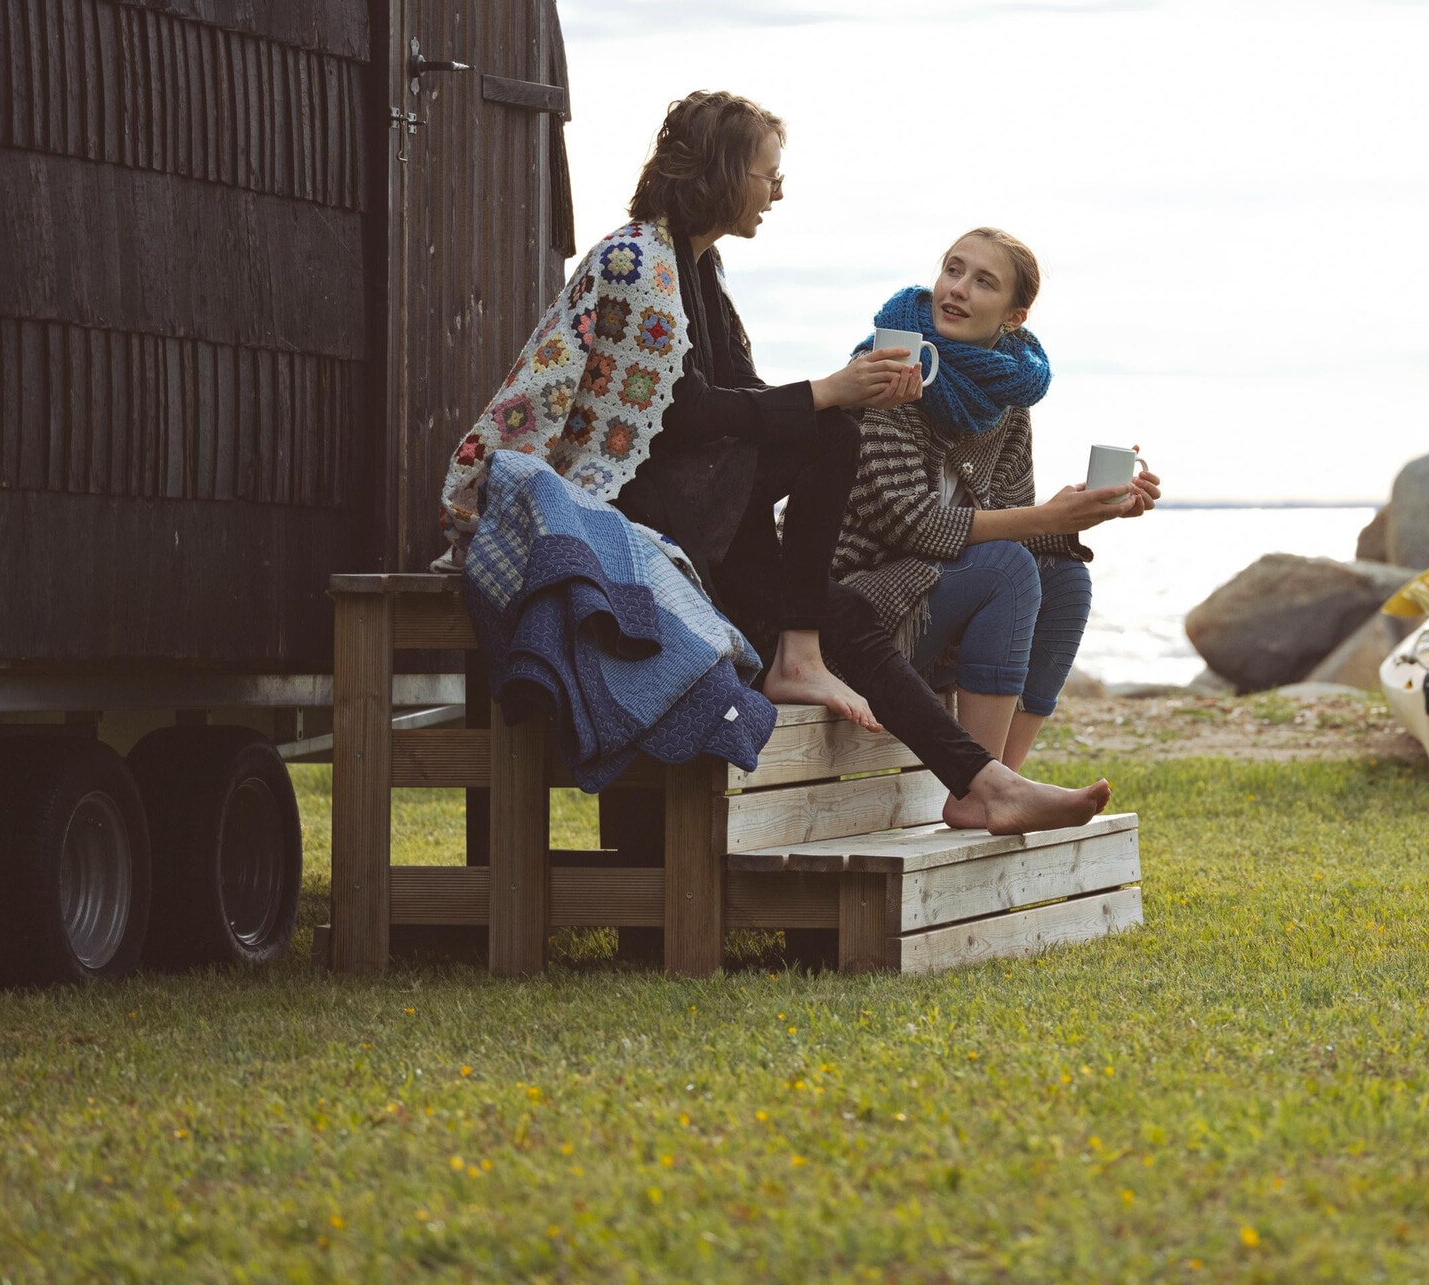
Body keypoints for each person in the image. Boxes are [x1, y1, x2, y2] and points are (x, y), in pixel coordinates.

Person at [442, 92, 1110, 834]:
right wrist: (832, 396)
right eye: (768, 173)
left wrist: (851, 397)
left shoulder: (700, 267)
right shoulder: (638, 259)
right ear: (726, 173)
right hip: (623, 504)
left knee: (843, 611)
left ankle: (982, 784)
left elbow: (742, 400)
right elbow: (679, 415)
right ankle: (891, 714)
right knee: (828, 435)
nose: (778, 190)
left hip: (705, 511)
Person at [833, 228, 1160, 769]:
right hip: (857, 613)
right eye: (953, 270)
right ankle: (980, 784)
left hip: (938, 611)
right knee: (1006, 567)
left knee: (1063, 571)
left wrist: (1088, 513)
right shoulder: (888, 366)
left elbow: (1015, 522)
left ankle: (1006, 776)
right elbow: (907, 523)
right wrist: (1044, 517)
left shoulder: (1006, 401)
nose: (957, 289)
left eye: (983, 282)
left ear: (1014, 316)